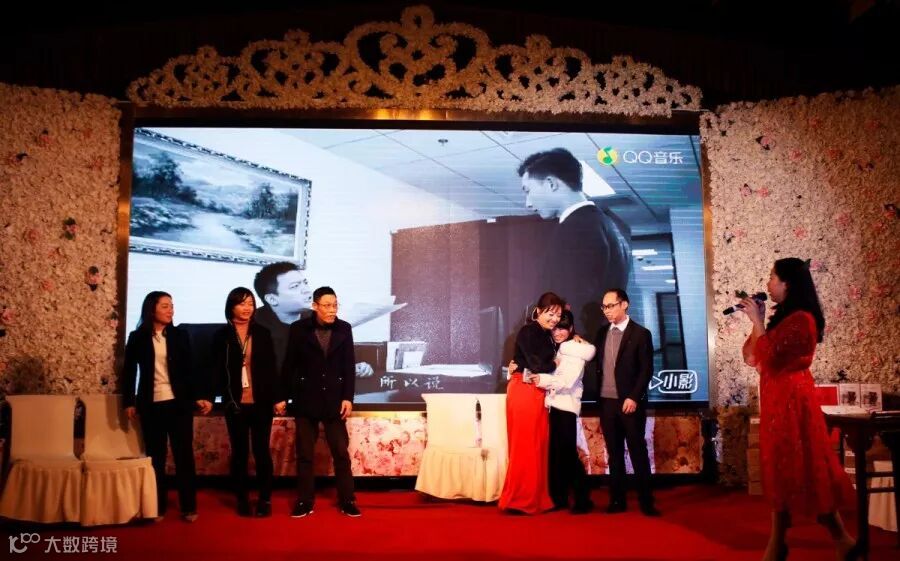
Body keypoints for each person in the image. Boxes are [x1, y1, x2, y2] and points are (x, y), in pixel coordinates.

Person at [739, 258, 859, 561]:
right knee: (780, 466)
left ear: (787, 283)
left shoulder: (802, 319)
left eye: (772, 277)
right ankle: (786, 541)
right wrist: (759, 322)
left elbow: (771, 357)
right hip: (776, 399)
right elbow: (752, 357)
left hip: (793, 402)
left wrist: (758, 323)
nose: (767, 284)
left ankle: (826, 539)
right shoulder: (783, 318)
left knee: (802, 466)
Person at [518, 148, 630, 341]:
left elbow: (577, 307)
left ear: (551, 183)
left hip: (575, 351)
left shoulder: (577, 229)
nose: (528, 203)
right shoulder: (605, 224)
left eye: (528, 191)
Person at [121, 291, 212, 523]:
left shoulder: (180, 335)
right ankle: (157, 506)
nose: (170, 310)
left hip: (178, 404)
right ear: (151, 309)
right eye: (165, 306)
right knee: (156, 457)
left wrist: (198, 397)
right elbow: (129, 370)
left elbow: (191, 369)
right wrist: (129, 401)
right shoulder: (137, 337)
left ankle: (188, 506)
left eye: (172, 306)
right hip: (151, 405)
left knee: (184, 456)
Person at [278, 286, 360, 518]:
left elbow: (348, 366)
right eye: (327, 305)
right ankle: (304, 501)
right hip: (306, 397)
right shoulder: (298, 329)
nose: (332, 310)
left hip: (334, 399)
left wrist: (348, 397)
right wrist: (282, 396)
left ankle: (348, 500)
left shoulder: (344, 328)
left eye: (335, 305)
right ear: (315, 306)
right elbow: (289, 364)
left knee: (340, 452)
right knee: (305, 454)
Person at [211, 287, 282, 517]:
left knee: (261, 451)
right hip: (235, 403)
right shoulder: (221, 336)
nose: (247, 308)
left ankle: (265, 498)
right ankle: (242, 498)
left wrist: (277, 398)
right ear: (231, 306)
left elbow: (272, 369)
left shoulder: (262, 333)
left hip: (261, 402)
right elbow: (214, 370)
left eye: (251, 303)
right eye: (242, 303)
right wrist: (211, 397)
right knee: (239, 453)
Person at [595, 288, 659, 516]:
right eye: (604, 307)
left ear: (624, 304)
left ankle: (646, 501)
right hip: (607, 402)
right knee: (614, 453)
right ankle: (617, 500)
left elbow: (646, 370)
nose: (606, 311)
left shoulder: (641, 334)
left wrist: (634, 396)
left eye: (611, 306)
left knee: (637, 451)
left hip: (630, 402)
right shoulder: (601, 333)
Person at [525, 309, 596, 514]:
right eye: (555, 328)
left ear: (571, 329)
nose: (557, 332)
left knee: (567, 455)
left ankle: (582, 499)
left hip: (566, 408)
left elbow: (566, 382)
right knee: (557, 455)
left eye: (562, 329)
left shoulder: (574, 350)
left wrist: (542, 380)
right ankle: (559, 498)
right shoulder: (561, 348)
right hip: (555, 406)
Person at [498, 292, 563, 514]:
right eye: (550, 313)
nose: (554, 319)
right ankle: (519, 500)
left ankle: (536, 499)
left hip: (536, 391)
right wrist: (554, 363)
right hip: (524, 391)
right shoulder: (529, 331)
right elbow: (536, 364)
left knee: (537, 444)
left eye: (558, 315)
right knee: (525, 446)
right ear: (538, 311)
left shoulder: (547, 335)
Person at [253, 262, 314, 373]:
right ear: (272, 299)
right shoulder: (254, 326)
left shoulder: (316, 319)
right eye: (295, 286)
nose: (307, 290)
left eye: (305, 283)